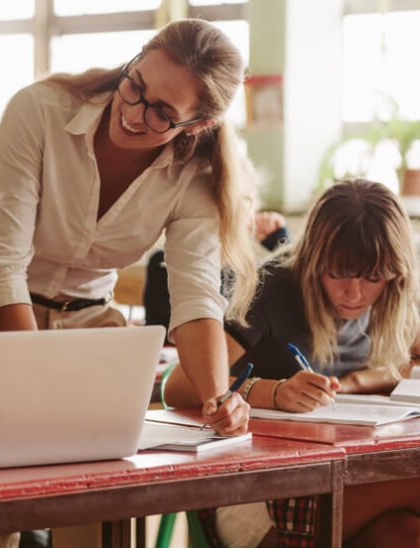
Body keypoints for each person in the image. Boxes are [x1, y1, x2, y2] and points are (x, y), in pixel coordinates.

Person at [0, 19, 257, 548]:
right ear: (134, 61)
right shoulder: (40, 109)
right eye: (136, 85)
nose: (132, 113)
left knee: (94, 494)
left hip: (84, 322)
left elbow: (195, 295)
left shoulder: (196, 174)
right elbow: (1, 264)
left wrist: (219, 398)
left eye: (161, 114)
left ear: (197, 124)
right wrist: (28, 381)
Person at [164, 179, 420, 546]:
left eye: (373, 278)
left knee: (406, 533)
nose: (354, 294)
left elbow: (403, 363)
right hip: (257, 490)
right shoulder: (276, 289)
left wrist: (354, 382)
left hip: (340, 475)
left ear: (395, 275)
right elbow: (176, 386)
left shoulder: (392, 299)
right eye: (337, 273)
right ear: (315, 262)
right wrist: (275, 392)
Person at [144, 209, 289, 341]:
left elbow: (289, 302)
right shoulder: (162, 263)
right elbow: (161, 331)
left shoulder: (246, 269)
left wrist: (280, 241)